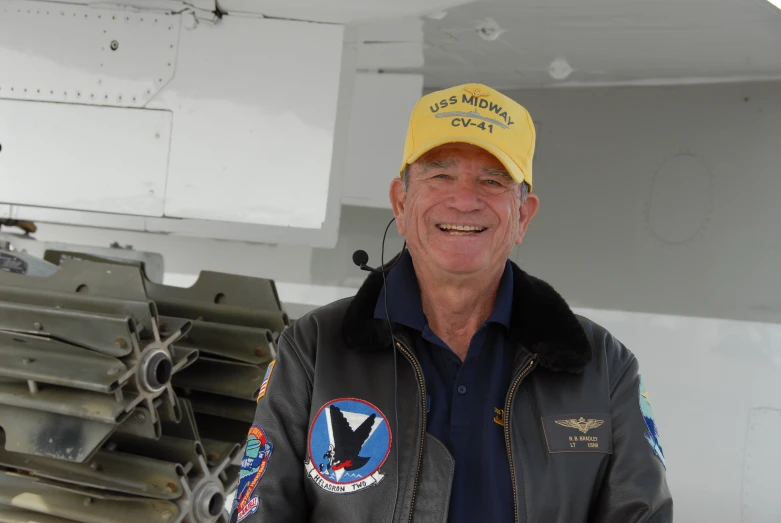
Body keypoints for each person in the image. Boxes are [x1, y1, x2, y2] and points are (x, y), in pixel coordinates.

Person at [230, 83, 673, 523]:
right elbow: (260, 512)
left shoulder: (602, 368)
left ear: (524, 216)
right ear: (401, 203)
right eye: (440, 175)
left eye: (493, 180)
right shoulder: (314, 349)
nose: (464, 199)